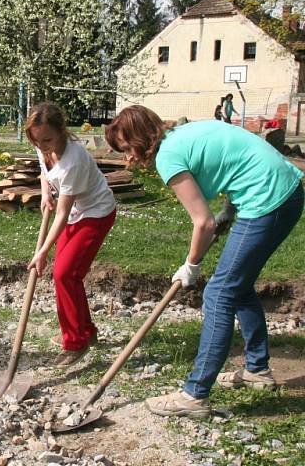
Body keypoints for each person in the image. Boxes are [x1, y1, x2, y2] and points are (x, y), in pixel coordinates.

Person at [105, 105, 303, 418]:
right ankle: (257, 371)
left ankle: (195, 395)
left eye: (128, 148)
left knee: (219, 293)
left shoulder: (168, 156)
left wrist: (191, 266)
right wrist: (230, 208)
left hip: (268, 199)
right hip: (281, 191)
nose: (128, 157)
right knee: (238, 285)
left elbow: (203, 222)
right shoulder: (183, 134)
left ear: (142, 139)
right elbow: (235, 160)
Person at [25, 103, 117, 366]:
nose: (41, 145)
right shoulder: (42, 144)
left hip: (97, 214)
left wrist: (41, 252)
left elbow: (62, 215)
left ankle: (75, 343)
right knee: (66, 275)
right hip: (78, 211)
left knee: (65, 273)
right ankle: (86, 331)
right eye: (36, 139)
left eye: (47, 139)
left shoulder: (73, 161)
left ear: (61, 132)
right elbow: (44, 172)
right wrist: (45, 192)